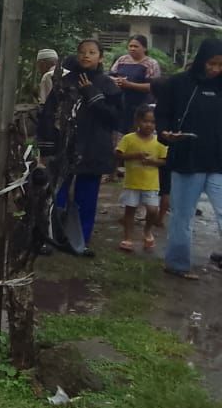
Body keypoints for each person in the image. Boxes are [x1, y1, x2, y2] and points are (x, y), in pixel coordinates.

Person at [38, 39, 120, 255]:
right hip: (63, 146)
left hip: (93, 147)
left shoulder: (107, 84)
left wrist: (92, 93)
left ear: (100, 57)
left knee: (87, 196)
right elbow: (48, 114)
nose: (86, 56)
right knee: (57, 194)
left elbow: (114, 119)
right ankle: (52, 237)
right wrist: (46, 147)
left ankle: (80, 241)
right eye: (83, 52)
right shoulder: (64, 82)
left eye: (92, 52)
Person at [157, 38, 222, 279]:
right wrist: (165, 134)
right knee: (182, 216)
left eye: (221, 65)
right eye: (212, 63)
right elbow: (162, 114)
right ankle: (177, 264)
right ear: (201, 60)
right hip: (187, 159)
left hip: (219, 161)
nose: (215, 69)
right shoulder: (178, 84)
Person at [115, 105, 168, 252]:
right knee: (130, 211)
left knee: (152, 210)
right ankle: (127, 237)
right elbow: (118, 154)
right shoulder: (128, 138)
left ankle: (147, 230)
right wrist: (134, 156)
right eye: (145, 121)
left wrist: (152, 162)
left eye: (152, 122)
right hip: (132, 182)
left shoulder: (159, 142)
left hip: (151, 183)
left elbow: (164, 161)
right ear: (138, 121)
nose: (149, 125)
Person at [111, 34, 161, 134]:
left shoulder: (151, 63)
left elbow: (152, 87)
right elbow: (110, 76)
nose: (132, 49)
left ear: (144, 48)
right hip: (121, 103)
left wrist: (129, 85)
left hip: (141, 105)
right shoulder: (122, 60)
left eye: (136, 46)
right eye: (130, 46)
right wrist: (115, 81)